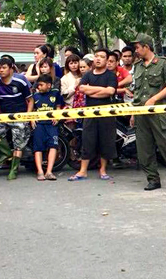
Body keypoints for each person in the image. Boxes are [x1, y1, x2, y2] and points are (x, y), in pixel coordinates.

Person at [131, 34, 166, 192]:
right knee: (144, 149)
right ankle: (153, 179)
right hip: (141, 112)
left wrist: (154, 99)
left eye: (137, 47)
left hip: (158, 111)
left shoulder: (163, 63)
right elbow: (136, 92)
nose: (136, 50)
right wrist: (133, 114)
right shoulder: (138, 66)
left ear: (146, 47)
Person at [68, 48, 117, 181]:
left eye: (102, 56)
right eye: (96, 56)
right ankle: (82, 171)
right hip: (89, 112)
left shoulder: (110, 75)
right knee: (87, 140)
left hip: (106, 113)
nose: (98, 58)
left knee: (105, 141)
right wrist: (102, 90)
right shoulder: (88, 75)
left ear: (107, 60)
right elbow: (83, 89)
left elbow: (111, 91)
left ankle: (103, 170)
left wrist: (92, 90)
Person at [0, 57, 33, 180]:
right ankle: (6, 153)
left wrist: (28, 116)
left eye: (4, 67)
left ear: (11, 68)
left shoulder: (21, 80)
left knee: (19, 144)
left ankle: (14, 170)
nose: (1, 70)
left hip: (20, 116)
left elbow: (30, 99)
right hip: (3, 116)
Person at [32, 74, 63, 181]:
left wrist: (57, 116)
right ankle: (40, 171)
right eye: (38, 85)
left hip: (51, 125)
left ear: (49, 85)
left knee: (53, 146)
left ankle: (49, 171)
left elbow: (58, 107)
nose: (38, 87)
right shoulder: (35, 95)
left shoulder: (56, 93)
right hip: (39, 125)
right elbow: (31, 109)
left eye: (41, 85)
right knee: (38, 148)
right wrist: (32, 119)